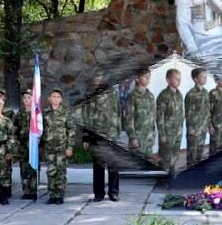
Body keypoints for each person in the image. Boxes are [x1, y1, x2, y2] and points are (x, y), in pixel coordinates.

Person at [82, 72, 121, 202]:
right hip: (96, 136)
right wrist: (86, 137)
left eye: (100, 76)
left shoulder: (112, 93)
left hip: (111, 135)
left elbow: (118, 112)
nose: (98, 79)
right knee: (98, 167)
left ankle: (113, 192)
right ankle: (98, 194)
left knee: (113, 166)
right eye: (96, 76)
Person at [42, 88, 76, 204]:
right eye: (53, 96)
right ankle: (52, 194)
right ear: (49, 99)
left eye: (58, 97)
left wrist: (70, 147)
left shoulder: (66, 112)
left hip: (62, 147)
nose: (55, 99)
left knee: (61, 172)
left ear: (61, 99)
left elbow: (71, 131)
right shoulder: (44, 113)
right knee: (51, 172)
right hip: (49, 147)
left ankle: (60, 195)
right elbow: (40, 130)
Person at [156, 68, 184, 174]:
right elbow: (159, 116)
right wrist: (162, 134)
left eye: (179, 78)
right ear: (168, 80)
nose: (178, 80)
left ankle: (171, 176)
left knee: (175, 156)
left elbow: (180, 113)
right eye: (176, 78)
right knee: (165, 157)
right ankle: (162, 179)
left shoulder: (179, 94)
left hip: (178, 132)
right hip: (167, 133)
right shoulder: (163, 95)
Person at [125, 68, 156, 158]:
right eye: (145, 76)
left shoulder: (151, 96)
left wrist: (154, 134)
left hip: (149, 138)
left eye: (149, 77)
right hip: (137, 138)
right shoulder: (132, 96)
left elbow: (153, 116)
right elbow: (129, 119)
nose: (148, 79)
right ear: (137, 79)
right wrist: (133, 138)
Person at [14, 88, 38, 200]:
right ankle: (26, 190)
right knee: (23, 168)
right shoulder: (20, 113)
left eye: (29, 97)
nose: (26, 100)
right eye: (24, 98)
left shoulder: (36, 113)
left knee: (33, 167)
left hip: (33, 144)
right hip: (23, 145)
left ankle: (33, 191)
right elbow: (15, 128)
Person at [185, 68, 211, 166]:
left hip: (202, 129)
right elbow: (188, 113)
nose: (205, 78)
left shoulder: (205, 92)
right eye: (202, 76)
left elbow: (207, 111)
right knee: (192, 154)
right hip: (194, 130)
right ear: (195, 79)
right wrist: (191, 128)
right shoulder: (191, 94)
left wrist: (209, 125)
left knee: (200, 154)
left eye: (205, 76)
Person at [209, 75, 222, 155]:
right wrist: (210, 125)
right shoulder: (213, 93)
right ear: (217, 81)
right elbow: (209, 110)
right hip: (215, 126)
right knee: (214, 148)